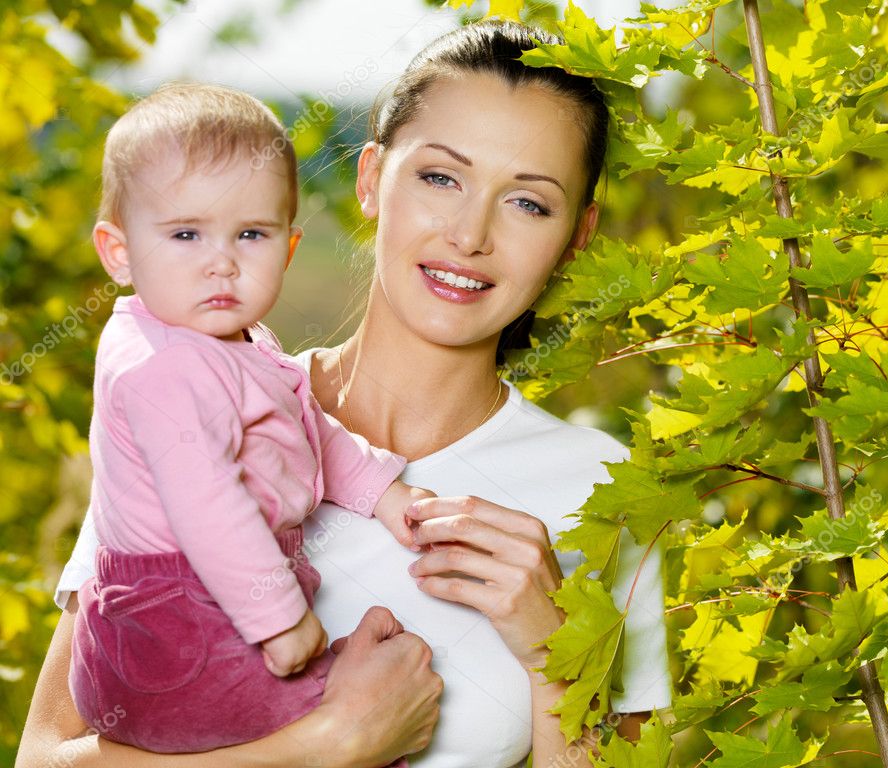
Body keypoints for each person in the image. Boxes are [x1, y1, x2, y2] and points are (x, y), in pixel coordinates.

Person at [16, 19, 671, 768]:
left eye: (528, 203)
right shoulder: (200, 401)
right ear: (370, 180)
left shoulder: (604, 490)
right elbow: (45, 757)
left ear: (578, 235)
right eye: (440, 178)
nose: (470, 235)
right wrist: (329, 745)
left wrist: (555, 655)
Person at [69, 83, 433, 760]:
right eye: (185, 234)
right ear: (118, 252)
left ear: (288, 248)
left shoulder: (229, 339)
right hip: (178, 628)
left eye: (251, 234)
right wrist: (280, 619)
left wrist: (383, 493)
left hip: (201, 615)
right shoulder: (162, 366)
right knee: (370, 728)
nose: (222, 262)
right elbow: (207, 505)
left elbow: (305, 423)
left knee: (359, 701)